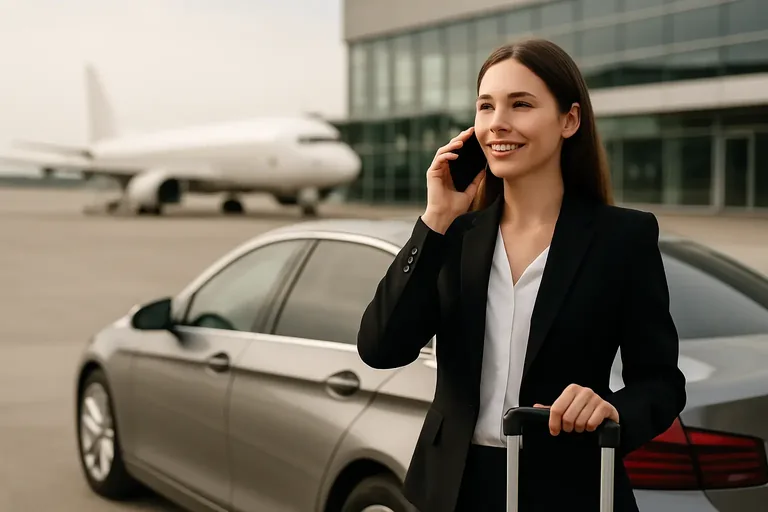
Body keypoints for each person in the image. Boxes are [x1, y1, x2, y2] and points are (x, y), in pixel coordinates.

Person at [356, 38, 687, 512]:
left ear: (569, 120)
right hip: (454, 491)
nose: (497, 123)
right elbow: (381, 349)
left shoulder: (623, 239)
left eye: (521, 104)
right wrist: (435, 221)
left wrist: (612, 409)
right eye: (486, 106)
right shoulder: (453, 235)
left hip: (569, 492)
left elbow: (660, 382)